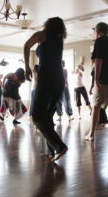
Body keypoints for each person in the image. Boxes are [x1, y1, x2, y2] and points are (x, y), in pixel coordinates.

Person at [24, 17, 68, 162]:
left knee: (36, 116)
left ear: (47, 25)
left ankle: (59, 146)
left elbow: (26, 46)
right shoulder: (59, 39)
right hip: (59, 80)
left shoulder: (41, 35)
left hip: (47, 79)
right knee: (47, 117)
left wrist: (26, 67)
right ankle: (49, 150)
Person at [89, 58, 108, 128]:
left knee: (97, 104)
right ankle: (101, 120)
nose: (91, 59)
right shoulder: (95, 65)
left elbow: (93, 79)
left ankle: (102, 121)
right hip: (98, 85)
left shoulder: (95, 65)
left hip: (98, 86)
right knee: (98, 104)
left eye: (92, 58)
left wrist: (92, 87)